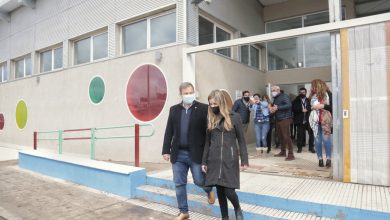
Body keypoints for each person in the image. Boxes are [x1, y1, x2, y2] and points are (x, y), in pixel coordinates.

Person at [162, 82, 215, 220]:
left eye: (191, 92)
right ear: (181, 94)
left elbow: (208, 132)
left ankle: (208, 190)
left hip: (196, 153)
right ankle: (183, 212)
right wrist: (165, 150)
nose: (189, 95)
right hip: (178, 153)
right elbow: (169, 131)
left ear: (194, 92)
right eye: (186, 93)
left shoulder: (204, 108)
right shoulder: (174, 110)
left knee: (199, 180)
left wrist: (208, 154)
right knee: (179, 183)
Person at [202, 89, 249, 220]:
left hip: (230, 160)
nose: (212, 107)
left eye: (215, 104)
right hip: (214, 160)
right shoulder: (211, 119)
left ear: (221, 103)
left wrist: (244, 160)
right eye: (210, 104)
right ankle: (225, 217)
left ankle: (237, 208)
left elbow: (241, 140)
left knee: (229, 191)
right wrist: (204, 161)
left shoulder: (235, 117)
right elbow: (207, 142)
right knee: (220, 192)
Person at [309, 79, 333, 168]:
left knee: (326, 140)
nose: (312, 88)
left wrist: (323, 106)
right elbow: (308, 108)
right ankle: (320, 159)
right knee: (317, 141)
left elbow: (333, 107)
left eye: (313, 86)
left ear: (319, 86)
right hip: (315, 122)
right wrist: (312, 108)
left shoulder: (328, 94)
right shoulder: (312, 96)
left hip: (325, 121)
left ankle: (329, 159)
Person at [269, 85, 295, 161]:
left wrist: (278, 108)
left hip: (285, 119)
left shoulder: (284, 96)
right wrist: (273, 109)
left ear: (278, 90)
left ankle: (291, 154)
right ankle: (283, 152)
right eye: (272, 90)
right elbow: (276, 108)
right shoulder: (276, 98)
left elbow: (289, 105)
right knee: (280, 137)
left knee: (286, 137)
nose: (272, 92)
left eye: (274, 90)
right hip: (278, 119)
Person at [292, 88, 315, 153]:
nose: (302, 93)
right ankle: (299, 148)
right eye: (300, 92)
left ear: (306, 93)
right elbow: (293, 109)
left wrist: (307, 109)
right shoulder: (295, 100)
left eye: (303, 92)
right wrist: (301, 110)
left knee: (311, 134)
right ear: (299, 93)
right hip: (299, 121)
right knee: (300, 135)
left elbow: (312, 107)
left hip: (309, 120)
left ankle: (311, 148)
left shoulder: (309, 100)